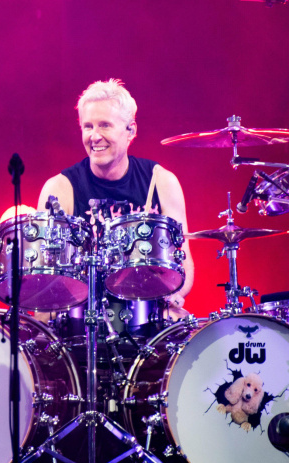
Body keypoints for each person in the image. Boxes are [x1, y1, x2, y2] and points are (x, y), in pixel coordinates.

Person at [37, 79, 194, 314]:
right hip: (82, 318)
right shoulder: (60, 189)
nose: (94, 136)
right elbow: (45, 277)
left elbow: (183, 263)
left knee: (179, 321)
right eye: (88, 126)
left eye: (105, 125)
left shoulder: (161, 182)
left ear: (131, 130)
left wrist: (172, 296)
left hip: (147, 313)